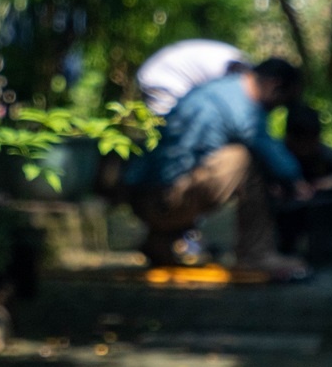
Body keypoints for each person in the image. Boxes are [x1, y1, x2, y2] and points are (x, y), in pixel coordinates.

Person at [125, 57, 313, 279]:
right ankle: (256, 254)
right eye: (281, 103)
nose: (273, 110)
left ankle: (159, 241)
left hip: (145, 196)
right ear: (273, 85)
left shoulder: (218, 89)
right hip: (166, 200)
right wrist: (296, 180)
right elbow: (265, 147)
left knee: (206, 166)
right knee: (243, 159)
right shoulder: (243, 104)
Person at [271, 103, 332, 267]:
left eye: (309, 141)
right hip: (284, 211)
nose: (305, 149)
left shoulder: (322, 153)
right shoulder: (276, 153)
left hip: (319, 209)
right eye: (300, 142)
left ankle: (324, 250)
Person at [136, 38, 252, 116]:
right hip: (164, 77)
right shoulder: (233, 69)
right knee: (169, 129)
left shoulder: (236, 60)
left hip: (166, 72)